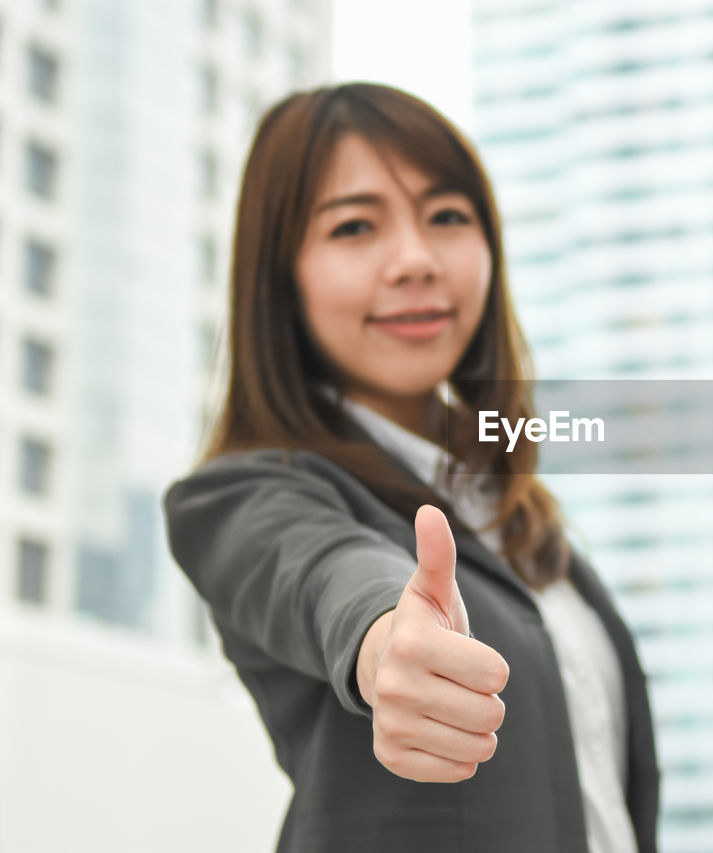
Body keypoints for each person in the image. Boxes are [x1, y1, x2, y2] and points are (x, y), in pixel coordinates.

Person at [163, 83, 659, 853]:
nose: (416, 261)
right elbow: (321, 569)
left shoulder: (515, 513)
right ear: (281, 278)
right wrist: (384, 633)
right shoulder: (244, 495)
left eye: (448, 217)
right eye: (355, 226)